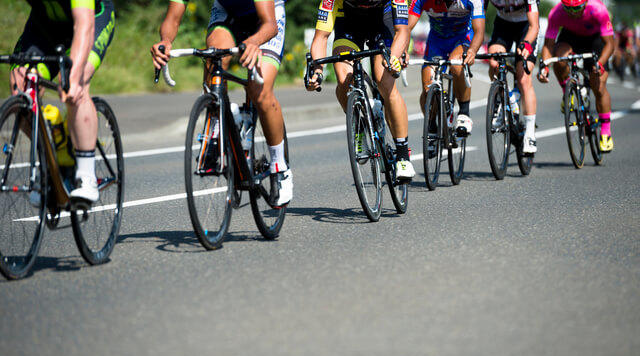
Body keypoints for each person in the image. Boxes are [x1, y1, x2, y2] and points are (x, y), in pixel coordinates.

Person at [151, 0, 292, 206]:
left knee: (258, 91)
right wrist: (165, 41)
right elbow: (173, 17)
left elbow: (270, 25)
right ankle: (217, 126)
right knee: (213, 56)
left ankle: (280, 167)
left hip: (267, 18)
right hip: (229, 11)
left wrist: (253, 42)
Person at [11, 0, 116, 203]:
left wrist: (73, 77)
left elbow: (84, 25)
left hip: (91, 17)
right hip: (45, 25)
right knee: (21, 88)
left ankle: (86, 177)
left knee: (74, 81)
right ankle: (54, 152)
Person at [306, 0, 416, 180]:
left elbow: (402, 31)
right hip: (349, 25)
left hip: (382, 25)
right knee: (343, 78)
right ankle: (358, 125)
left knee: (385, 82)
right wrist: (317, 71)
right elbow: (321, 37)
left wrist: (394, 58)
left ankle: (403, 156)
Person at [538, 0, 615, 153]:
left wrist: (599, 64)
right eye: (569, 9)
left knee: (598, 84)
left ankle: (605, 131)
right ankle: (568, 90)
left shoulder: (598, 9)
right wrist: (544, 66)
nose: (573, 13)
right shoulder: (557, 12)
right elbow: (548, 45)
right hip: (570, 36)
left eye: (577, 8)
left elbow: (610, 45)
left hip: (595, 39)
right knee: (559, 60)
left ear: (585, 4)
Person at [408, 0, 485, 137]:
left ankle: (464, 113)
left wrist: (472, 51)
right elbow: (406, 28)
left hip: (462, 39)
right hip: (437, 42)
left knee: (456, 63)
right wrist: (403, 51)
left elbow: (479, 31)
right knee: (427, 87)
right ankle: (431, 126)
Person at [484, 0, 540, 154]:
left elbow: (534, 26)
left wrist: (527, 44)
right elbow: (479, 16)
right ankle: (501, 99)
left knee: (524, 78)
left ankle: (529, 133)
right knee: (494, 63)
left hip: (526, 26)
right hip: (503, 25)